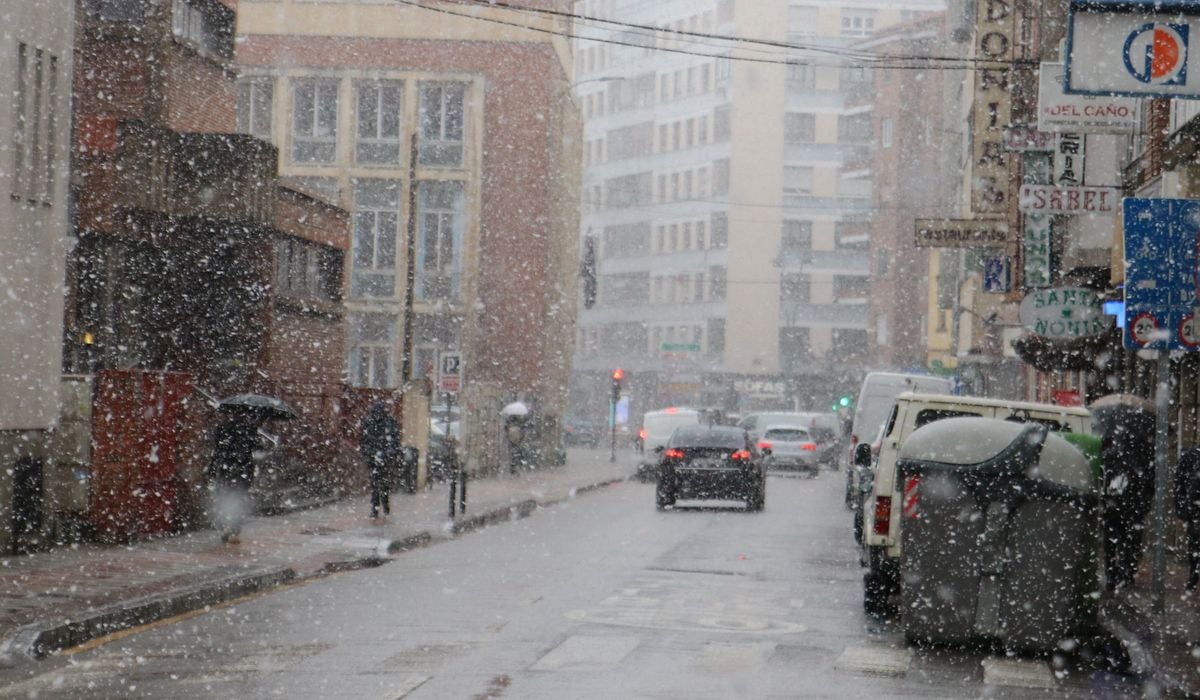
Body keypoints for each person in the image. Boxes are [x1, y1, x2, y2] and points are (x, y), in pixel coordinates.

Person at [1101, 420, 1156, 592]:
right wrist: (1143, 505)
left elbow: (1102, 481)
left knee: (1112, 542)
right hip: (1132, 510)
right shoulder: (1144, 458)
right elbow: (1150, 486)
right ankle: (1126, 572)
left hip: (1113, 507)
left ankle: (1112, 575)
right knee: (1129, 542)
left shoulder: (1109, 455)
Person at [207, 413, 260, 544]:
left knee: (225, 498)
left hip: (227, 468)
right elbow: (258, 449)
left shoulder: (222, 428)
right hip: (243, 470)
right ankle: (234, 529)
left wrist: (212, 470)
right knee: (238, 499)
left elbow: (217, 450)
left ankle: (225, 524)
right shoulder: (250, 429)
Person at [359, 402, 400, 519]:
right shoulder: (386, 422)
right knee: (380, 483)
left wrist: (371, 453)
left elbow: (364, 441)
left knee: (377, 483)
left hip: (379, 457)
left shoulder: (372, 422)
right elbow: (364, 441)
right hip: (379, 458)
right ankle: (382, 507)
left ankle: (378, 507)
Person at [1176, 445, 1200, 591]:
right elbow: (1180, 484)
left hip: (1193, 508)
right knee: (1194, 544)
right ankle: (1193, 577)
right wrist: (1182, 509)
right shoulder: (1191, 456)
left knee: (1194, 544)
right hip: (1195, 509)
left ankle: (1193, 578)